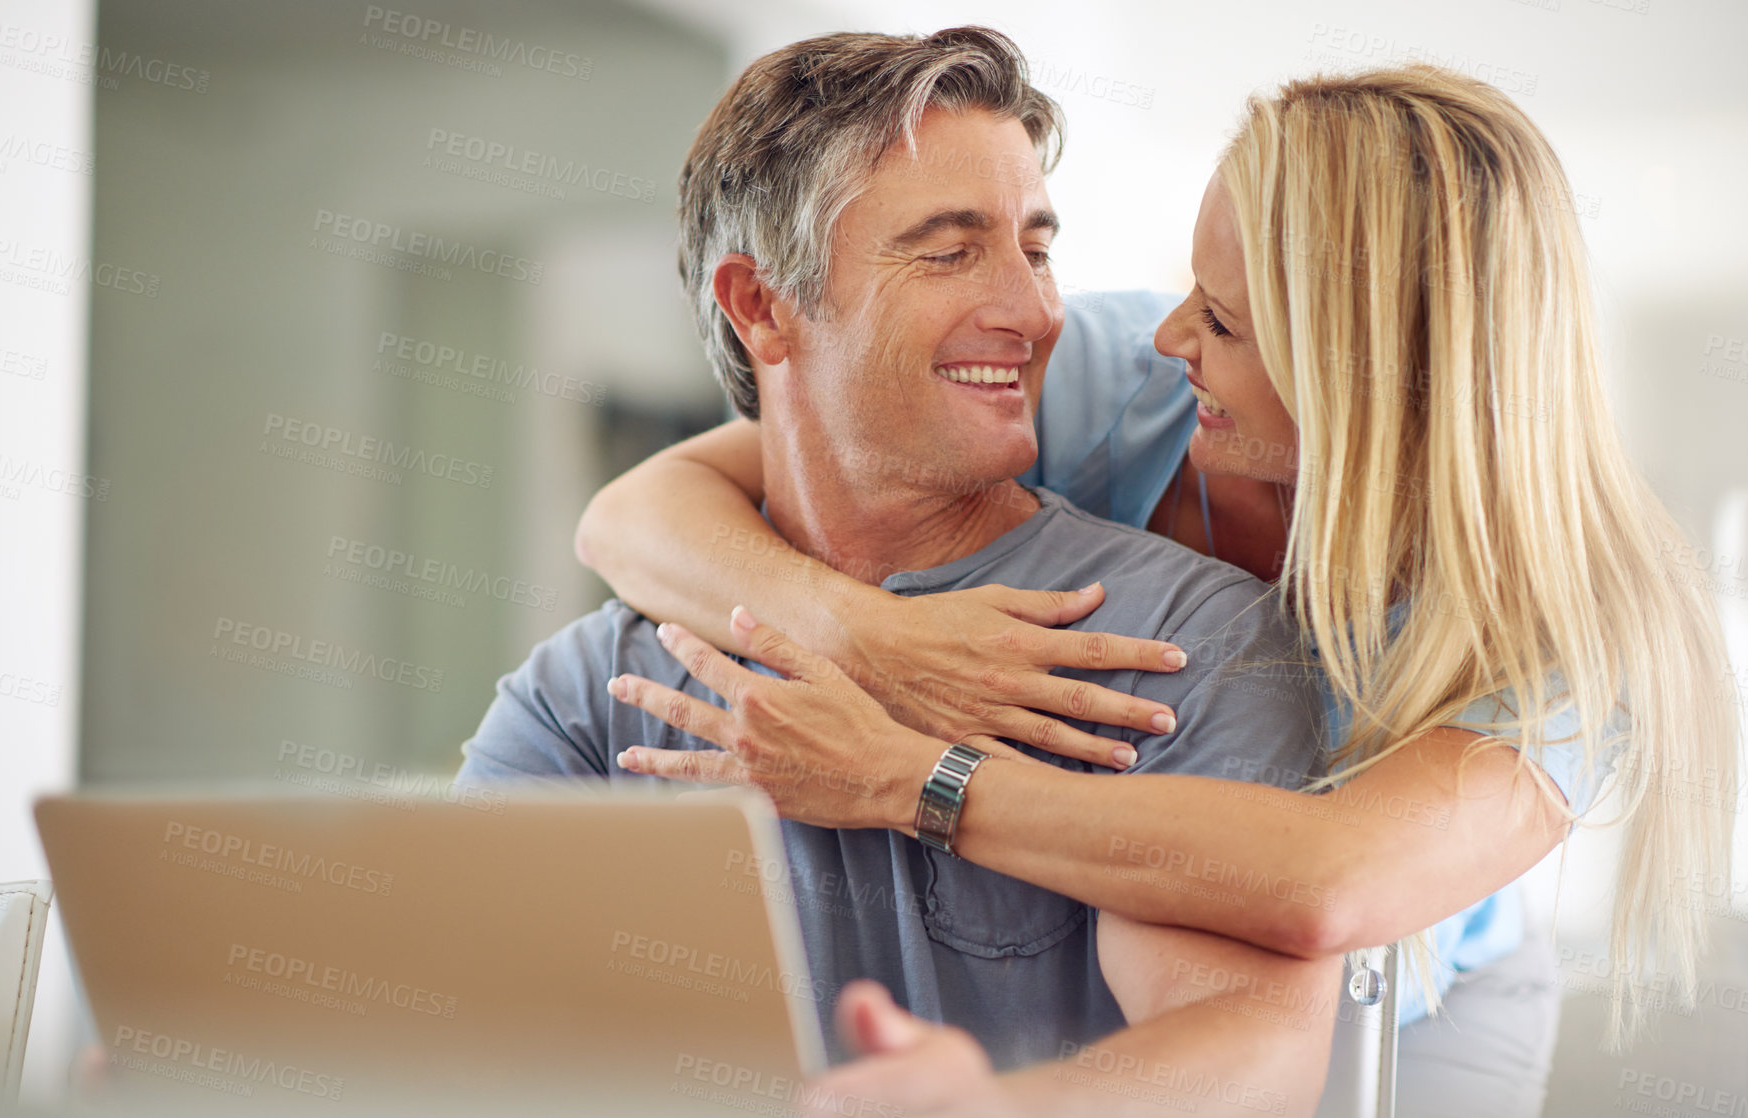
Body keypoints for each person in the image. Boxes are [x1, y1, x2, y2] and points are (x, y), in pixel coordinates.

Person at [587, 57, 1741, 1118]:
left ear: (1373, 375)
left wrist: (905, 777)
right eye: (1193, 287)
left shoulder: (1572, 635)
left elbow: (1322, 883)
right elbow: (636, 515)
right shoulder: (1120, 377)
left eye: (1227, 320)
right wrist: (868, 637)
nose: (1174, 331)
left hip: (1427, 990)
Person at [458, 27, 1346, 1116]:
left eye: (1035, 245)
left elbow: (1251, 1049)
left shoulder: (1183, 644)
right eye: (948, 249)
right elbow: (444, 1046)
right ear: (760, 306)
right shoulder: (590, 700)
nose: (1033, 310)